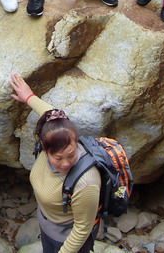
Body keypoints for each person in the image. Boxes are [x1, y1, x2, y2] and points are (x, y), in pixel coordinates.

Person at [9, 73, 100, 253]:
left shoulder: (86, 182)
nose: (65, 163)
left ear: (75, 141)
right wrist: (28, 97)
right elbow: (51, 115)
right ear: (44, 147)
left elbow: (82, 229)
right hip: (48, 224)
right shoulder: (53, 135)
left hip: (67, 239)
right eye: (58, 158)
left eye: (71, 154)